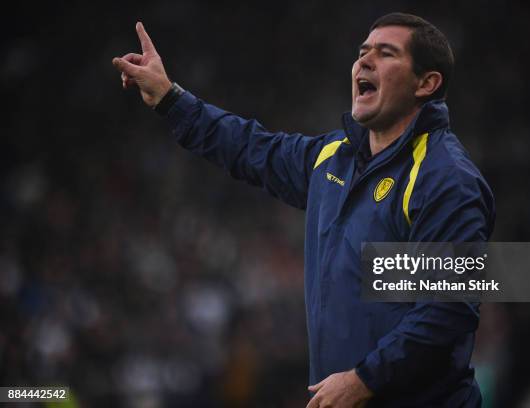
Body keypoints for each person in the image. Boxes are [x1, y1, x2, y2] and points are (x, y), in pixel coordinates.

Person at [112, 12, 495, 408]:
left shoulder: (446, 180)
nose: (364, 61)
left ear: (426, 83)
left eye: (386, 54)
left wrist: (364, 380)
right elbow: (249, 147)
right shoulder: (334, 158)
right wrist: (170, 98)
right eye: (362, 52)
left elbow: (447, 313)